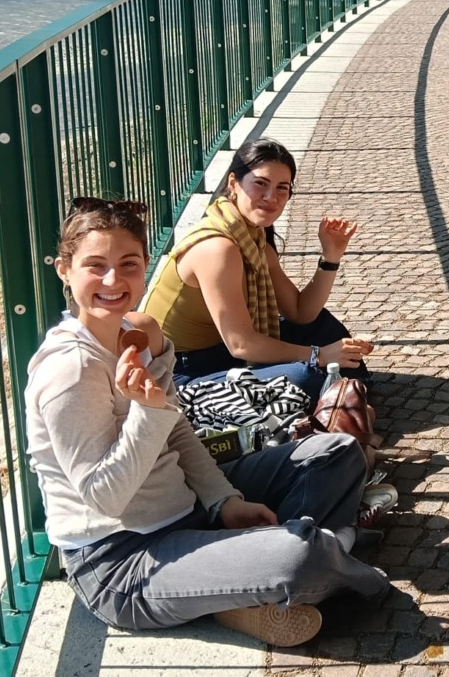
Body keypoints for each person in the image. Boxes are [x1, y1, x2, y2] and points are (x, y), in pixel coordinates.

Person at [25, 198, 389, 648]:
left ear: (146, 265)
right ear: (65, 270)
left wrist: (223, 501)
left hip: (190, 511)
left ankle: (244, 585)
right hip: (125, 559)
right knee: (297, 556)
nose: (113, 281)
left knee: (336, 453)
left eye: (128, 264)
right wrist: (148, 411)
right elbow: (106, 497)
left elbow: (175, 432)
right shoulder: (68, 371)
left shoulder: (140, 333)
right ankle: (321, 559)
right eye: (94, 266)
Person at [144, 139, 370, 402]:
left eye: (282, 189)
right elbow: (241, 343)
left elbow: (301, 312)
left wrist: (331, 257)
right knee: (304, 377)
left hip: (221, 354)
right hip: (181, 374)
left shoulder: (253, 240)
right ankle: (342, 394)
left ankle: (343, 393)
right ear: (233, 184)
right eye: (261, 184)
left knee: (321, 326)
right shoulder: (218, 248)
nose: (271, 197)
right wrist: (317, 355)